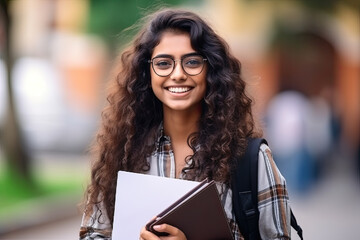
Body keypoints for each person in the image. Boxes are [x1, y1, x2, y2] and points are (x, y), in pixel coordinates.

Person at [79, 8, 291, 240]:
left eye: (191, 62)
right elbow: (92, 235)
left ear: (211, 70)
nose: (178, 74)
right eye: (163, 63)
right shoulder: (121, 152)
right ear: (145, 73)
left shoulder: (250, 158)